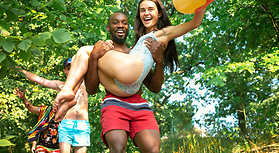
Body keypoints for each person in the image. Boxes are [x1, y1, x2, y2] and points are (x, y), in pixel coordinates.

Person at [53, 0, 208, 122]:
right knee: (82, 58)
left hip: (131, 70)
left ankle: (67, 91)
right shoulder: (138, 41)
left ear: (159, 14)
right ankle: (70, 97)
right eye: (142, 10)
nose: (146, 13)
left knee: (84, 51)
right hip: (124, 88)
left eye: (150, 9)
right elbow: (93, 86)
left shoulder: (164, 33)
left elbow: (195, 23)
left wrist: (204, 2)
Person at [85, 11, 165, 153]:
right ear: (108, 27)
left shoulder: (137, 52)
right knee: (117, 149)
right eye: (115, 23)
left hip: (138, 104)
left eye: (124, 23)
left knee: (152, 151)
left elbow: (155, 87)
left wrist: (158, 61)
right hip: (113, 103)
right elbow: (91, 89)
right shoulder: (102, 53)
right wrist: (93, 58)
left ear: (129, 27)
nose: (120, 26)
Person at [15, 60, 90, 153]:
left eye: (73, 67)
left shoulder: (86, 82)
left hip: (82, 125)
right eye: (68, 68)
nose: (71, 70)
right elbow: (39, 80)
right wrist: (19, 69)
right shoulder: (60, 85)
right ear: (64, 71)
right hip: (66, 125)